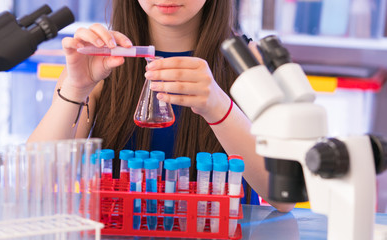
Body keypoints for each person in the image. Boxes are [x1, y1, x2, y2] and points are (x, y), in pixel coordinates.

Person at [28, 0, 295, 212]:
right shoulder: (99, 64)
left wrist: (218, 106)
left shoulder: (251, 64)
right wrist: (76, 87)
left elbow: (285, 197)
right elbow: (33, 184)